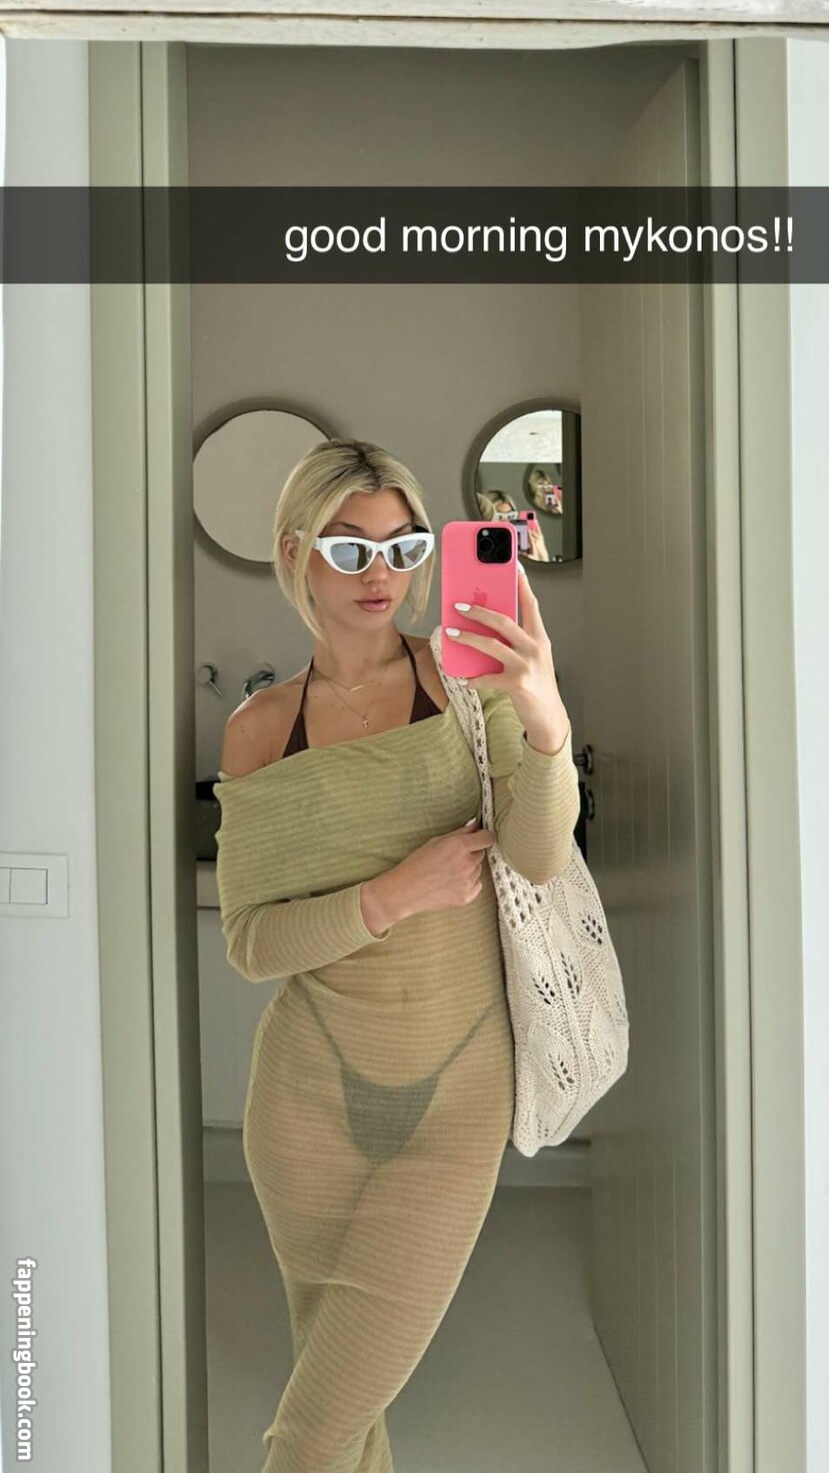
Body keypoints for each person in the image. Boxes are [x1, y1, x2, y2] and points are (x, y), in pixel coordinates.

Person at [212, 437, 579, 1473]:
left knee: (310, 1432)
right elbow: (250, 940)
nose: (382, 574)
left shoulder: (465, 681)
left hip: (458, 1101)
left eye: (404, 547)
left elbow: (538, 855)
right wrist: (390, 896)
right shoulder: (261, 729)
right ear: (296, 554)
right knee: (348, 1418)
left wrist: (544, 717)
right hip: (306, 1108)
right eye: (351, 548)